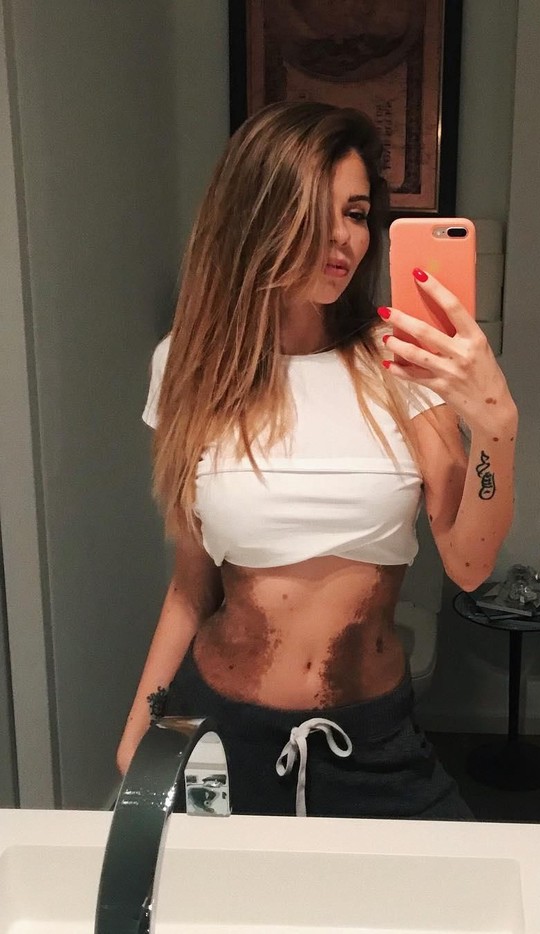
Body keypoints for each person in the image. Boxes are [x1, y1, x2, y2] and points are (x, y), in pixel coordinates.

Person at [116, 101, 518, 820]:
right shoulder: (187, 367)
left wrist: (496, 428)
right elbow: (190, 586)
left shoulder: (401, 363)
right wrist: (137, 737)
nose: (345, 238)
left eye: (357, 213)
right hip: (219, 736)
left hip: (372, 740)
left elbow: (468, 563)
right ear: (256, 215)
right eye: (315, 212)